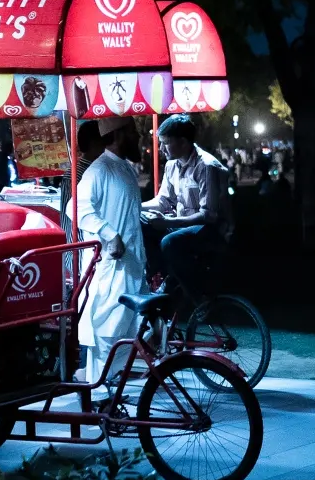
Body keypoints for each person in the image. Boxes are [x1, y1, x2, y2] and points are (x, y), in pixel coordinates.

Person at [73, 117, 146, 384]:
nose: (137, 137)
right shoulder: (99, 169)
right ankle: (99, 394)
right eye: (132, 132)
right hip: (111, 271)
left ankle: (111, 395)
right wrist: (109, 234)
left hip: (132, 266)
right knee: (106, 333)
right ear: (117, 134)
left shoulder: (125, 168)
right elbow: (77, 208)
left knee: (127, 334)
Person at [141, 116, 232, 284]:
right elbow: (163, 201)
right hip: (183, 225)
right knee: (141, 222)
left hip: (210, 229)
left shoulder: (206, 166)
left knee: (169, 242)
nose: (161, 148)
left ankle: (194, 291)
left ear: (183, 142)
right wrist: (135, 208)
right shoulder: (171, 165)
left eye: (165, 143)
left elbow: (209, 216)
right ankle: (161, 274)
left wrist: (169, 221)